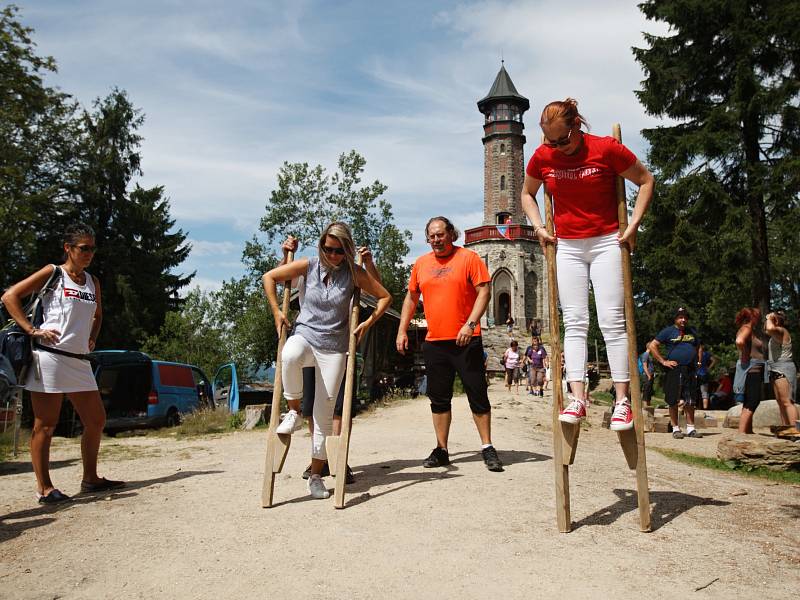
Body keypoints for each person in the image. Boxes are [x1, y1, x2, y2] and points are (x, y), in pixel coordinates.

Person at [521, 98, 655, 431]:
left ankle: (622, 402)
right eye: (552, 142)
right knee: (575, 320)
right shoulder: (544, 156)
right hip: (567, 244)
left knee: (611, 319)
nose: (559, 148)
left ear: (577, 125)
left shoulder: (606, 149)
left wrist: (634, 224)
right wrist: (539, 227)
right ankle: (577, 397)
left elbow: (646, 180)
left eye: (563, 140)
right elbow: (528, 193)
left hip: (607, 239)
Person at [263, 223, 390, 499]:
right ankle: (294, 411)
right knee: (290, 354)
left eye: (339, 251)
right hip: (305, 335)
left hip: (334, 348)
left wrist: (368, 323)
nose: (333, 255)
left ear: (347, 251)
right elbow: (270, 277)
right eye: (328, 249)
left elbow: (384, 295)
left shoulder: (353, 273)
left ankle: (317, 475)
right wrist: (276, 312)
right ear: (321, 246)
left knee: (323, 417)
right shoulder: (308, 266)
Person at [1, 223, 123, 504]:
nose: (89, 253)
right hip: (50, 357)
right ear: (68, 248)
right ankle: (44, 488)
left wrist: (92, 337)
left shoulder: (93, 282)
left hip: (79, 360)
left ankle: (90, 479)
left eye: (93, 248)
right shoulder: (53, 273)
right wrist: (32, 331)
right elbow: (10, 296)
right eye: (84, 248)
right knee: (46, 424)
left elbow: (98, 315)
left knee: (96, 420)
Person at [396, 216, 503, 472]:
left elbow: (485, 291)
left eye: (440, 235)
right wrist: (402, 330)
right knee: (439, 398)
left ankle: (487, 447)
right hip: (435, 342)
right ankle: (441, 449)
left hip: (466, 339)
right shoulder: (421, 264)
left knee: (477, 393)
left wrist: (470, 323)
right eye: (431, 236)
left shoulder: (469, 258)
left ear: (451, 235)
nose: (436, 240)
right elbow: (411, 299)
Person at [648, 308, 703, 439]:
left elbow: (699, 346)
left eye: (685, 317)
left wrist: (698, 361)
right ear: (675, 319)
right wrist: (663, 361)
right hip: (674, 369)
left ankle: (691, 429)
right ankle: (675, 428)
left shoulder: (692, 332)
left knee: (690, 399)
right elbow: (652, 345)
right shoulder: (668, 331)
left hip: (690, 369)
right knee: (673, 399)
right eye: (680, 317)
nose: (683, 320)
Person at [733, 308, 767, 434]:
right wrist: (745, 353)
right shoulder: (747, 329)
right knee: (753, 401)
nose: (759, 318)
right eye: (757, 316)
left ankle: (748, 431)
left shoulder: (747, 329)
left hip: (752, 370)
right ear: (753, 317)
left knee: (748, 401)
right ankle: (741, 434)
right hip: (751, 371)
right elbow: (739, 341)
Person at [765, 311, 798, 426]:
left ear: (777, 321)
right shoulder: (776, 334)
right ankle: (786, 429)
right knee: (780, 402)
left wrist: (769, 317)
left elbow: (769, 328)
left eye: (770, 319)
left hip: (783, 369)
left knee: (787, 402)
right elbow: (768, 328)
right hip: (775, 369)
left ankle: (796, 432)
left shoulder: (781, 331)